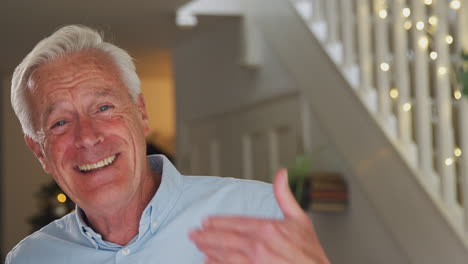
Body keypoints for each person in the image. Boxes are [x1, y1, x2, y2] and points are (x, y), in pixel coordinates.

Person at [5, 25, 330, 264]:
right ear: (39, 151)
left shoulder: (256, 212)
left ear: (141, 114)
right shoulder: (30, 258)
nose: (88, 136)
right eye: (60, 122)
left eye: (104, 108)